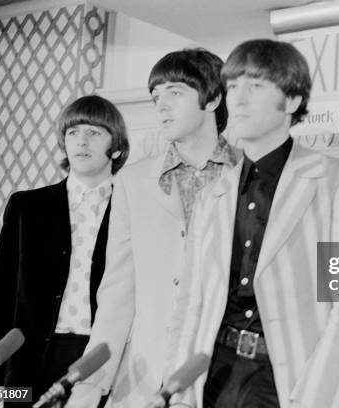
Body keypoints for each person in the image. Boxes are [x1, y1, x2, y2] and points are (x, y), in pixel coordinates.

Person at [163, 39, 339, 408]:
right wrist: (178, 388)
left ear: (291, 102)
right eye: (232, 87)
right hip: (214, 374)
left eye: (256, 86)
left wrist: (316, 397)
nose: (238, 99)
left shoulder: (337, 180)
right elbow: (189, 305)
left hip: (290, 380)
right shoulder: (213, 194)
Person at [65, 48, 238, 408]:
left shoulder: (248, 175)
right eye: (156, 96)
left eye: (175, 93)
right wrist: (88, 390)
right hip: (145, 377)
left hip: (226, 375)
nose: (161, 106)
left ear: (214, 98)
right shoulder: (133, 180)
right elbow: (117, 292)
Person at [0, 94, 130, 406]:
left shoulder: (132, 209)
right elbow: (1, 295)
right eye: (73, 132)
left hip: (99, 359)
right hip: (28, 360)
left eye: (93, 132)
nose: (81, 141)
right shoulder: (27, 206)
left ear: (116, 147)